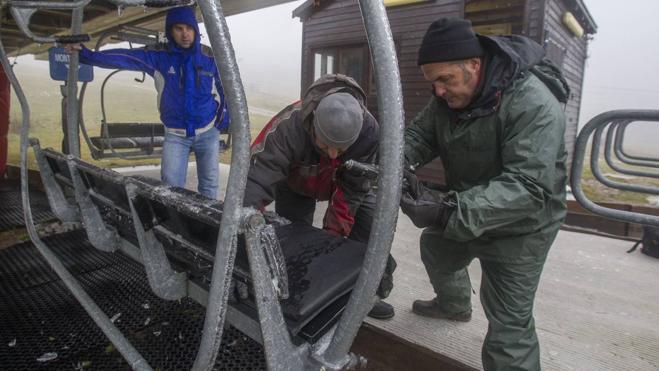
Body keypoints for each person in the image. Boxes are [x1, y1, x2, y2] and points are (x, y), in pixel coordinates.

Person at [400, 18, 569, 370]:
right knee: (436, 248)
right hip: (470, 203)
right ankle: (454, 306)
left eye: (445, 79)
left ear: (474, 65)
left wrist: (447, 211)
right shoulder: (446, 98)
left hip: (524, 226)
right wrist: (390, 166)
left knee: (508, 325)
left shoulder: (533, 103)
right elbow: (419, 137)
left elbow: (528, 187)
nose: (439, 91)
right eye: (433, 83)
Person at [244, 74, 396, 319]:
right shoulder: (287, 128)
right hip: (297, 185)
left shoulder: (369, 133)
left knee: (368, 236)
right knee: (293, 240)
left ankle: (365, 295)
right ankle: (296, 293)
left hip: (350, 185)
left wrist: (331, 239)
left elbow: (352, 191)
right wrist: (246, 226)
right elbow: (256, 179)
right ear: (313, 123)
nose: (334, 155)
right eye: (325, 146)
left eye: (342, 149)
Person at [66, 6, 229, 199]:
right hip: (176, 135)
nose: (185, 34)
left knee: (209, 186)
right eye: (179, 28)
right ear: (170, 31)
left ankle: (207, 229)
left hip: (208, 132)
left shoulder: (210, 56)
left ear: (195, 29)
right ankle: (175, 226)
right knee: (170, 189)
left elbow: (226, 88)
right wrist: (88, 55)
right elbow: (123, 58)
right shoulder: (159, 56)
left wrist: (223, 118)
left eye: (189, 28)